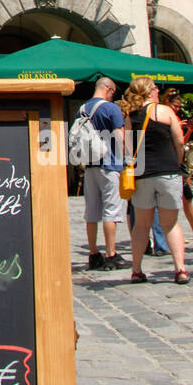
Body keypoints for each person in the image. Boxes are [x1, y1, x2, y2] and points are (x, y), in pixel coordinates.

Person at [122, 77, 188, 283]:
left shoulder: (130, 116)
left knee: (141, 225)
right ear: (149, 92)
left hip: (143, 175)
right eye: (154, 87)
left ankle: (137, 269)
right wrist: (178, 164)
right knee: (171, 224)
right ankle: (180, 269)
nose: (158, 90)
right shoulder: (166, 112)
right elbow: (179, 141)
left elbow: (127, 147)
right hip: (168, 171)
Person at [80, 76, 127, 270]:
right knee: (111, 210)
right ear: (108, 89)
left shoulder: (81, 109)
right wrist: (127, 158)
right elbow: (120, 136)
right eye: (113, 92)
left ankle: (93, 254)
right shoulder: (111, 108)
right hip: (109, 164)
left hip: (89, 165)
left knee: (91, 210)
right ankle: (111, 254)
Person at [162, 91, 193, 240]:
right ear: (167, 102)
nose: (177, 109)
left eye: (178, 107)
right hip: (172, 162)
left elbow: (180, 141)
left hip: (178, 160)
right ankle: (176, 232)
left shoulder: (171, 116)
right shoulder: (165, 116)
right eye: (175, 106)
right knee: (176, 199)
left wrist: (188, 130)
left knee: (186, 197)